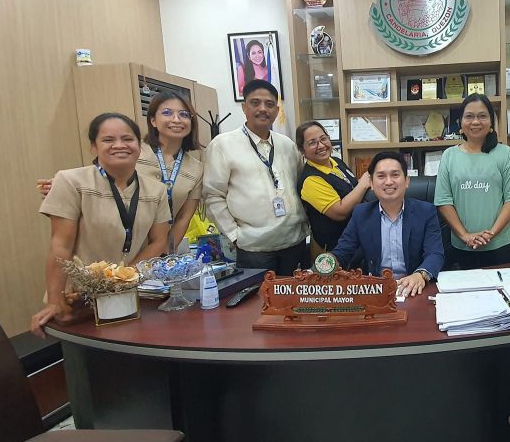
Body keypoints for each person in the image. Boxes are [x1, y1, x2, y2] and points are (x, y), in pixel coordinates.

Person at [30, 113, 171, 337]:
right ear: (93, 147)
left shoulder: (157, 190)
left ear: (139, 145)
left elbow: (159, 241)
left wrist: (123, 279)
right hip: (78, 300)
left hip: (127, 294)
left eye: (127, 139)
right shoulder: (71, 181)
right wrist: (55, 301)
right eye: (108, 140)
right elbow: (60, 246)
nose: (119, 145)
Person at [37, 92, 205, 252]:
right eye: (167, 112)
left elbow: (183, 217)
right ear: (153, 120)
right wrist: (63, 188)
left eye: (184, 114)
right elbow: (98, 181)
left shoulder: (196, 168)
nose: (176, 119)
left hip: (158, 248)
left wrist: (166, 253)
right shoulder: (129, 149)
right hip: (113, 242)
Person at [203, 79, 308, 275]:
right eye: (255, 103)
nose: (263, 109)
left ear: (276, 110)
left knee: (293, 303)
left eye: (269, 104)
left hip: (294, 242)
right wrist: (235, 236)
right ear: (244, 107)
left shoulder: (287, 145)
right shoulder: (223, 145)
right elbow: (213, 196)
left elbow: (301, 185)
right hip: (253, 248)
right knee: (258, 304)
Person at [331, 152, 445, 297]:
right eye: (381, 176)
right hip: (375, 290)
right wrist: (323, 265)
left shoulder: (425, 211)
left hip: (414, 288)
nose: (389, 181)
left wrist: (420, 275)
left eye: (395, 175)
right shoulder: (361, 214)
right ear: (371, 184)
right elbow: (343, 251)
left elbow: (435, 253)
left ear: (407, 181)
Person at [434, 93, 510, 269]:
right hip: (462, 246)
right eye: (469, 116)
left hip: (500, 246)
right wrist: (465, 235)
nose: (475, 122)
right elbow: (443, 201)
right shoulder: (449, 156)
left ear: (491, 122)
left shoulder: (505, 153)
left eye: (482, 116)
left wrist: (491, 234)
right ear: (460, 123)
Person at [295, 121, 371, 256]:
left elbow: (349, 188)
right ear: (302, 151)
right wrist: (363, 184)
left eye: (323, 138)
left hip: (355, 242)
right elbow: (340, 212)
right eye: (312, 143)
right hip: (334, 250)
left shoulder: (337, 162)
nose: (321, 146)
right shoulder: (310, 180)